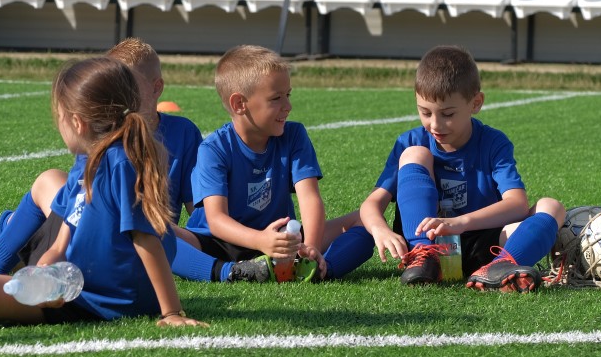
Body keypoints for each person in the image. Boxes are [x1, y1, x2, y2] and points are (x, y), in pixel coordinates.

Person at [0, 37, 220, 312]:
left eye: (58, 117)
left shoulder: (123, 163)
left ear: (77, 122)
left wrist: (171, 312)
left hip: (113, 298)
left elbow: (147, 239)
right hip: (76, 287)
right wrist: (53, 259)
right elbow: (70, 219)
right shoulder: (85, 159)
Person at [358, 44, 565, 291]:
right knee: (415, 154)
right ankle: (426, 255)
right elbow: (372, 203)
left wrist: (461, 222)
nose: (435, 124)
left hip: (481, 245)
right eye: (424, 112)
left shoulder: (493, 142)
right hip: (425, 245)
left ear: (475, 103)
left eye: (447, 114)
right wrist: (380, 230)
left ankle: (499, 268)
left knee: (551, 206)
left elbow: (517, 204)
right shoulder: (410, 141)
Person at [179, 44, 375, 282]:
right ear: (239, 104)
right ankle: (230, 272)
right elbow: (217, 220)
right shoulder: (214, 149)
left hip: (283, 242)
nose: (288, 106)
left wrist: (310, 248)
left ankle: (315, 270)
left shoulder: (294, 136)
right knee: (157, 233)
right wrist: (260, 240)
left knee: (368, 219)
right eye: (276, 98)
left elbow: (310, 197)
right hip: (218, 244)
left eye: (288, 95)